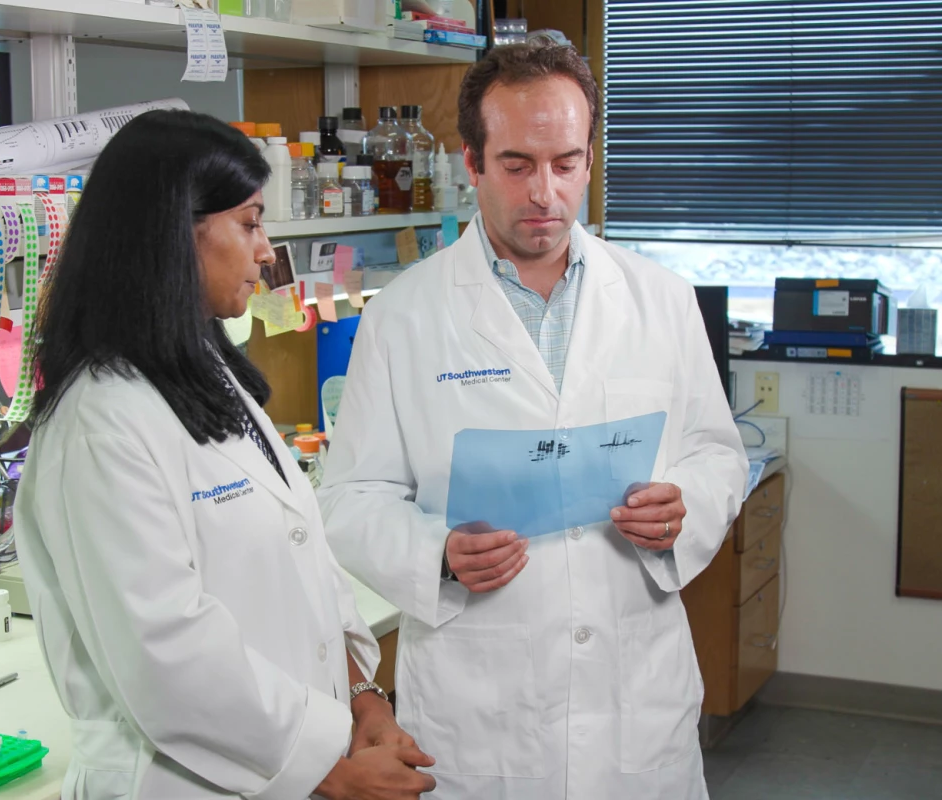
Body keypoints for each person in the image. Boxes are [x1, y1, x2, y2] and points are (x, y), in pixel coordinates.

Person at [318, 43, 748, 799]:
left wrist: (684, 506)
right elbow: (352, 496)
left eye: (566, 163)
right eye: (517, 165)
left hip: (632, 697)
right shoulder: (406, 317)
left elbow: (716, 453)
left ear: (588, 160)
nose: (544, 192)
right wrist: (439, 554)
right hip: (480, 709)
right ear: (472, 163)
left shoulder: (660, 299)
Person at [15, 110, 436, 800]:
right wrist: (325, 765)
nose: (266, 249)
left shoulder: (205, 375)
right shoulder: (100, 420)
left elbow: (304, 556)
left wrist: (363, 696)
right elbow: (166, 654)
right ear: (173, 234)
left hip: (290, 760)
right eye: (248, 223)